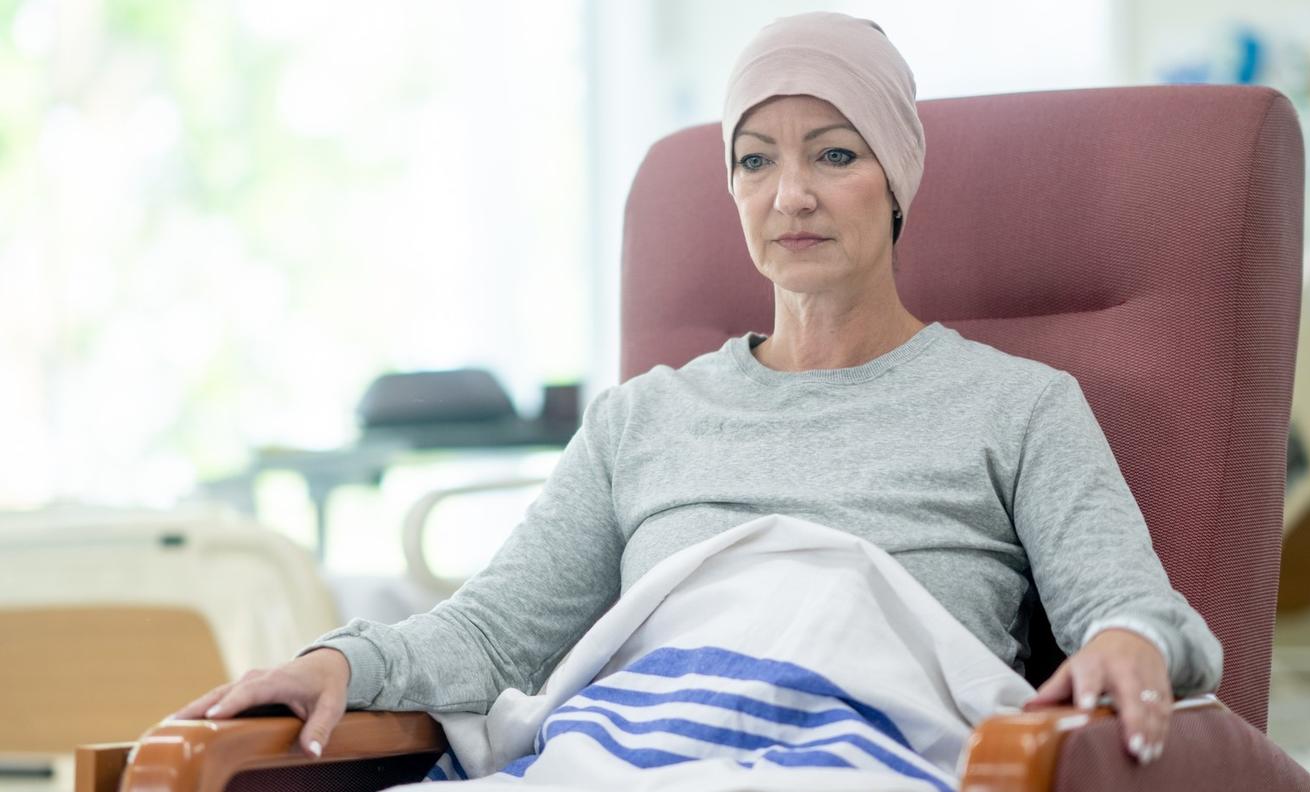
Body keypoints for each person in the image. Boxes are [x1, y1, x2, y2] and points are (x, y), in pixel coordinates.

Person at [172, 11, 1220, 771]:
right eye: (755, 160)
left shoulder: (1019, 407)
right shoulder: (643, 420)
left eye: (834, 154)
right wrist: (339, 665)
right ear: (730, 187)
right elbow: (495, 633)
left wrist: (1128, 642)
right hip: (627, 757)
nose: (791, 194)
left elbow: (1133, 616)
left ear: (896, 178)